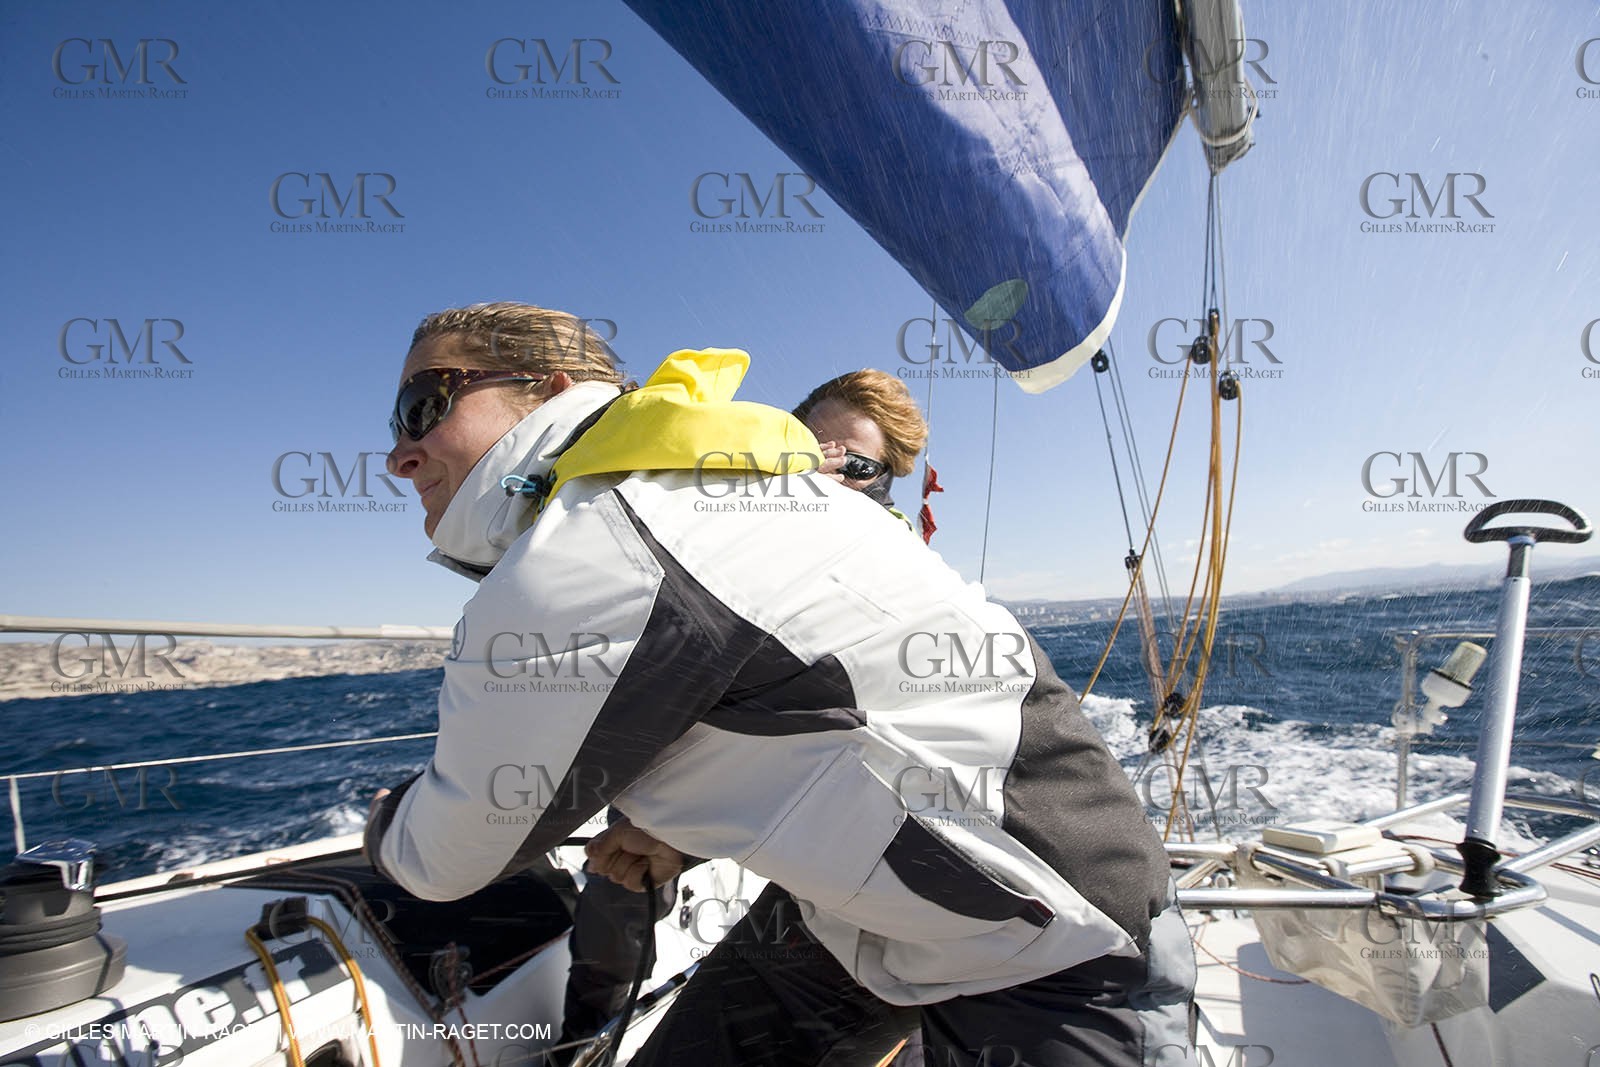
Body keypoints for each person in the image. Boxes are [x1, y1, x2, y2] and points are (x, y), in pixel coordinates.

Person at [366, 302, 1195, 1067]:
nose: (400, 452)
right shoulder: (698, 503)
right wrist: (674, 831)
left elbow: (438, 858)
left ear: (545, 391)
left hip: (1062, 934)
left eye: (424, 406)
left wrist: (383, 821)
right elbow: (794, 710)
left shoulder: (599, 543)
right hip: (868, 912)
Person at [559, 369, 934, 1058]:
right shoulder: (730, 531)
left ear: (884, 479)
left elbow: (857, 762)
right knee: (621, 875)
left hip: (872, 836)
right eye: (811, 450)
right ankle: (583, 1035)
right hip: (721, 765)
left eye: (853, 464)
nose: (828, 474)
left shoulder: (900, 586)